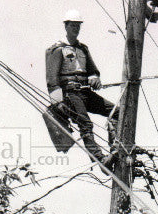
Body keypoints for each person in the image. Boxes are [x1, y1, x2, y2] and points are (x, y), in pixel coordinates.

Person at [45, 9, 120, 163]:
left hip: (85, 92)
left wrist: (95, 78)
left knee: (117, 112)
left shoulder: (83, 49)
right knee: (85, 124)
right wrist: (58, 103)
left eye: (78, 26)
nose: (76, 29)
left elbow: (93, 70)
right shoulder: (57, 49)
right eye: (73, 26)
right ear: (66, 27)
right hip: (70, 94)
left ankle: (116, 148)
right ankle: (99, 159)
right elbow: (52, 79)